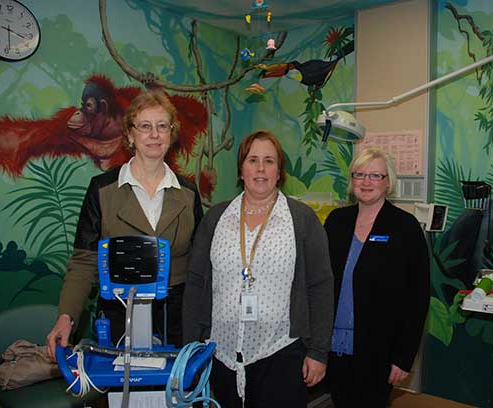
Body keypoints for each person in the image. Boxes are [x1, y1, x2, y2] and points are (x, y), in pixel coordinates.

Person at [46, 90, 203, 358]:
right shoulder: (102, 189)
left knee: (172, 397)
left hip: (175, 321)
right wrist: (67, 317)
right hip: (119, 319)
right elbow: (84, 262)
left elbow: (200, 263)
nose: (154, 134)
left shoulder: (188, 193)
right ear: (130, 135)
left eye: (162, 126)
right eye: (145, 126)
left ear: (170, 134)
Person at [183, 130, 333, 407]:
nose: (261, 169)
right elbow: (195, 283)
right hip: (221, 353)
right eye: (252, 160)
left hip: (282, 351)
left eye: (269, 161)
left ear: (279, 172)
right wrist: (191, 345)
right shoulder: (216, 218)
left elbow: (320, 286)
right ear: (241, 169)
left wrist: (319, 351)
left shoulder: (302, 220)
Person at [323, 147, 430, 408]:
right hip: (334, 345)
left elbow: (417, 298)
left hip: (378, 350)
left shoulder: (405, 227)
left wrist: (404, 357)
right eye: (360, 174)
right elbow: (320, 283)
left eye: (375, 176)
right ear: (352, 180)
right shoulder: (336, 222)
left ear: (388, 182)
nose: (367, 182)